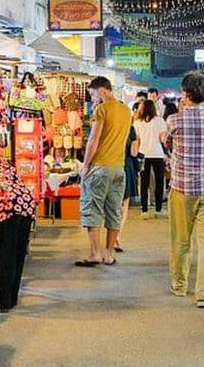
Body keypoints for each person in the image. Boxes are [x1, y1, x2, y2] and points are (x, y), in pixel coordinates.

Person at [165, 72, 204, 308]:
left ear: (185, 94)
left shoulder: (174, 121)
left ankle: (180, 286)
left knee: (181, 240)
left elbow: (167, 142)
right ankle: (203, 293)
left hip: (182, 187)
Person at [76, 76, 132, 267]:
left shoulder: (102, 109)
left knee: (92, 208)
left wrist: (85, 165)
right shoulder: (126, 111)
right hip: (119, 168)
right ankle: (108, 255)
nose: (93, 99)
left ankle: (95, 253)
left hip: (100, 168)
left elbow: (94, 140)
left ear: (102, 91)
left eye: (93, 94)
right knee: (113, 211)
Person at [134, 100, 168, 219]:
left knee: (144, 183)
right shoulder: (160, 121)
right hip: (158, 154)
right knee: (159, 183)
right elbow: (163, 139)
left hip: (143, 154)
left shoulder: (137, 123)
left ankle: (144, 210)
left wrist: (136, 155)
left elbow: (137, 141)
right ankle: (158, 209)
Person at [116, 125, 139, 252]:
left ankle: (113, 234)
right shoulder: (130, 129)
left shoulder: (108, 126)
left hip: (111, 164)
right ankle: (118, 234)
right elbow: (134, 153)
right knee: (124, 205)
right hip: (127, 166)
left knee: (113, 204)